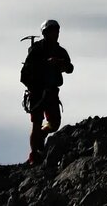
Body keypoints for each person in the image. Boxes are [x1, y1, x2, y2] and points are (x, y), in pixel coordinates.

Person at [22, 19, 73, 165]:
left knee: (55, 123)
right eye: (53, 31)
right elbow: (26, 72)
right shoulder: (36, 50)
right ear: (45, 33)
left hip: (51, 92)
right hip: (37, 92)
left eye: (57, 31)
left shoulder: (60, 51)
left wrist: (61, 64)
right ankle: (34, 155)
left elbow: (70, 68)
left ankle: (42, 135)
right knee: (36, 123)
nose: (56, 34)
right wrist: (46, 65)